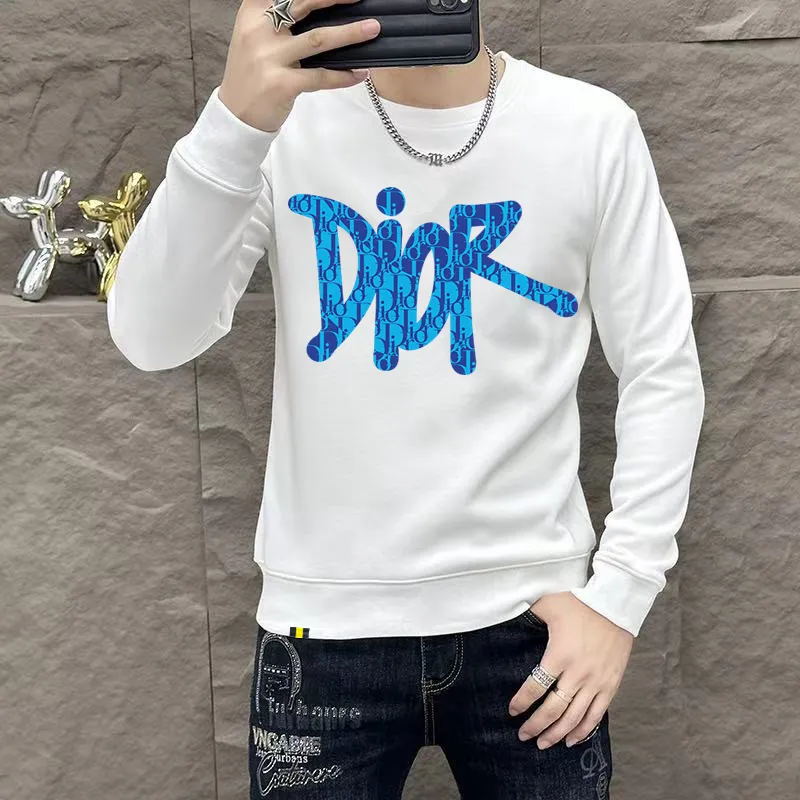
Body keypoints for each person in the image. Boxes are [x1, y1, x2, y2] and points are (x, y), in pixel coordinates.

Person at [106, 0, 706, 796]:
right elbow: (152, 336)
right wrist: (234, 121)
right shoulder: (283, 128)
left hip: (532, 629)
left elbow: (662, 366)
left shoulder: (589, 129)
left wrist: (621, 598)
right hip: (321, 634)